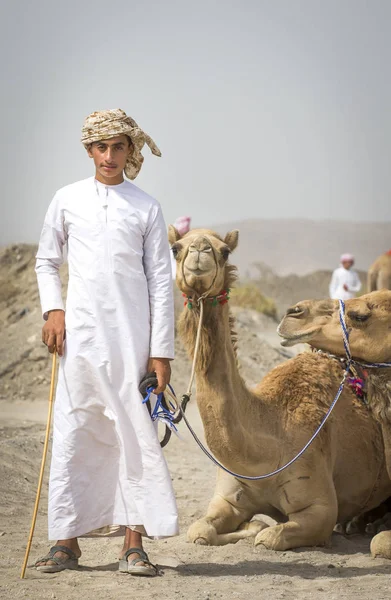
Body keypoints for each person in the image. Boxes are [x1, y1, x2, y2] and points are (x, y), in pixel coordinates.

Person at [34, 109, 178, 577]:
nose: (109, 156)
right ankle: (65, 543)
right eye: (101, 147)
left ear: (129, 151)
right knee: (75, 433)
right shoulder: (67, 199)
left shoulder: (146, 207)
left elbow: (161, 281)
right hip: (78, 341)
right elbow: (46, 260)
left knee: (134, 437)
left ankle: (134, 545)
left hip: (133, 343)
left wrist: (161, 352)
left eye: (118, 147)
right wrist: (54, 309)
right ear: (89, 150)